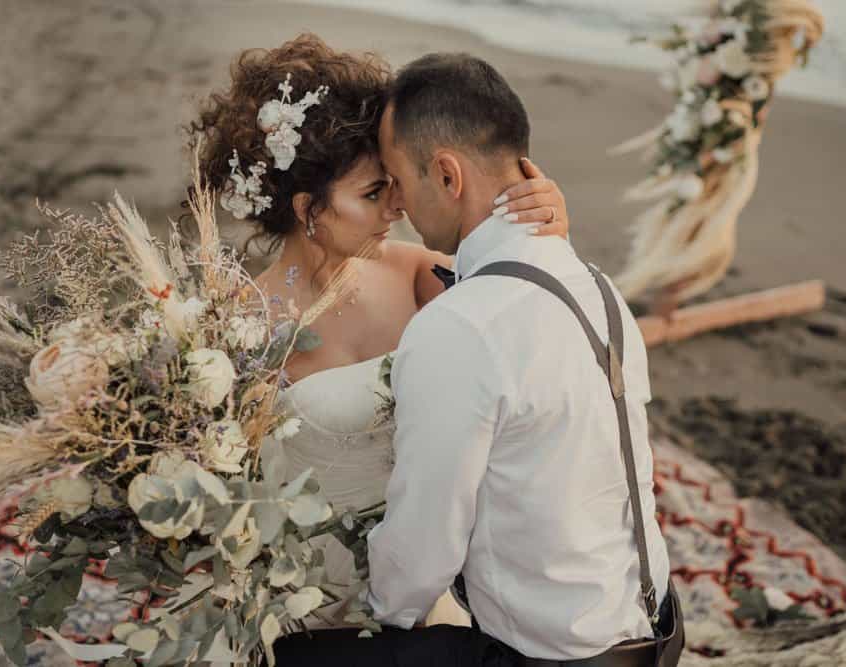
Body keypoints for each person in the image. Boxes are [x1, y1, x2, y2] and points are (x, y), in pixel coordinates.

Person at [270, 53, 684, 666]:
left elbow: (420, 557)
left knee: (293, 657)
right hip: (655, 628)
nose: (400, 209)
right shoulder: (595, 284)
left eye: (399, 183)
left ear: (446, 174)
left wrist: (370, 615)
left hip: (550, 658)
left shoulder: (462, 325)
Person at [187, 33, 569, 631]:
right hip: (289, 587)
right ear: (309, 207)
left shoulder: (418, 273)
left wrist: (545, 228)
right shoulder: (235, 326)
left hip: (420, 571)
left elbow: (533, 322)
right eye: (372, 192)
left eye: (392, 183)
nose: (397, 206)